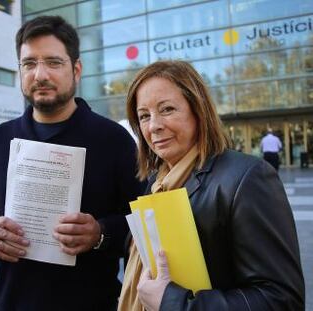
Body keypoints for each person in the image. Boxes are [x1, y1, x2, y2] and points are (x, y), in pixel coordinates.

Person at [0, 15, 145, 310]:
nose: (40, 75)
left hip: (92, 303)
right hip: (13, 302)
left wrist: (101, 233)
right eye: (29, 63)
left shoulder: (114, 140)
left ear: (76, 69)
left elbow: (143, 224)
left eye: (53, 62)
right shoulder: (0, 139)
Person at [118, 60, 305, 311]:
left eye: (167, 109)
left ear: (198, 110)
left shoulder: (247, 178)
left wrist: (174, 303)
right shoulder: (156, 182)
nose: (154, 126)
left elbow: (282, 300)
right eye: (144, 116)